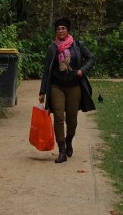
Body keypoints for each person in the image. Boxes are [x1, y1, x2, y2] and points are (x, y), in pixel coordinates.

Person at [38, 17, 96, 163]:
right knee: (58, 116)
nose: (60, 31)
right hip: (56, 86)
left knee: (72, 120)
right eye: (58, 29)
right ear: (55, 32)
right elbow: (47, 71)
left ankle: (69, 140)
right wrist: (42, 91)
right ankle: (62, 150)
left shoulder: (78, 45)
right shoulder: (52, 48)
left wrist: (82, 70)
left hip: (74, 86)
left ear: (68, 30)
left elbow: (91, 58)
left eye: (63, 28)